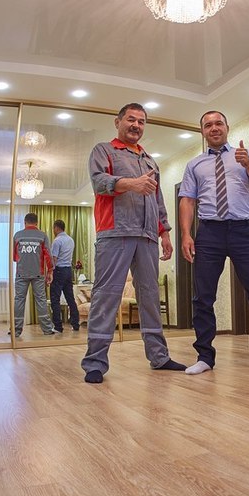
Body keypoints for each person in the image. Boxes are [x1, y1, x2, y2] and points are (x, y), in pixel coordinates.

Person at [178, 110, 249, 374]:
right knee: (203, 298)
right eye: (208, 125)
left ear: (227, 127)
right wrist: (186, 234)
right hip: (209, 232)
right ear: (203, 132)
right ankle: (204, 357)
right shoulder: (194, 165)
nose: (214, 128)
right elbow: (187, 200)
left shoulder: (246, 155)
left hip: (243, 231)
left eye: (218, 123)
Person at [81, 103, 186, 383]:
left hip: (148, 236)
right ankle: (95, 363)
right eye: (131, 119)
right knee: (106, 296)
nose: (136, 125)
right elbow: (98, 182)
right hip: (115, 233)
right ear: (118, 122)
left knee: (149, 296)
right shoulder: (104, 150)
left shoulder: (150, 161)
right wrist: (131, 184)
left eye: (141, 121)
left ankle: (159, 357)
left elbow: (158, 200)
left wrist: (165, 233)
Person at [12, 212, 54, 337]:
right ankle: (47, 329)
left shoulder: (17, 235)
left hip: (21, 273)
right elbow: (48, 255)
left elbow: (14, 257)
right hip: (38, 273)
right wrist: (50, 271)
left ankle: (16, 330)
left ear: (25, 222)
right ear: (37, 223)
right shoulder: (42, 235)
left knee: (19, 300)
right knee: (41, 300)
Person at [49, 219, 80, 332]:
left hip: (59, 271)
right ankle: (75, 324)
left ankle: (58, 326)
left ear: (56, 228)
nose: (53, 230)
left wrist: (50, 272)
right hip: (68, 271)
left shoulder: (57, 241)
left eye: (53, 228)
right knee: (70, 298)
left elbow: (54, 259)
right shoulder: (71, 240)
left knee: (55, 298)